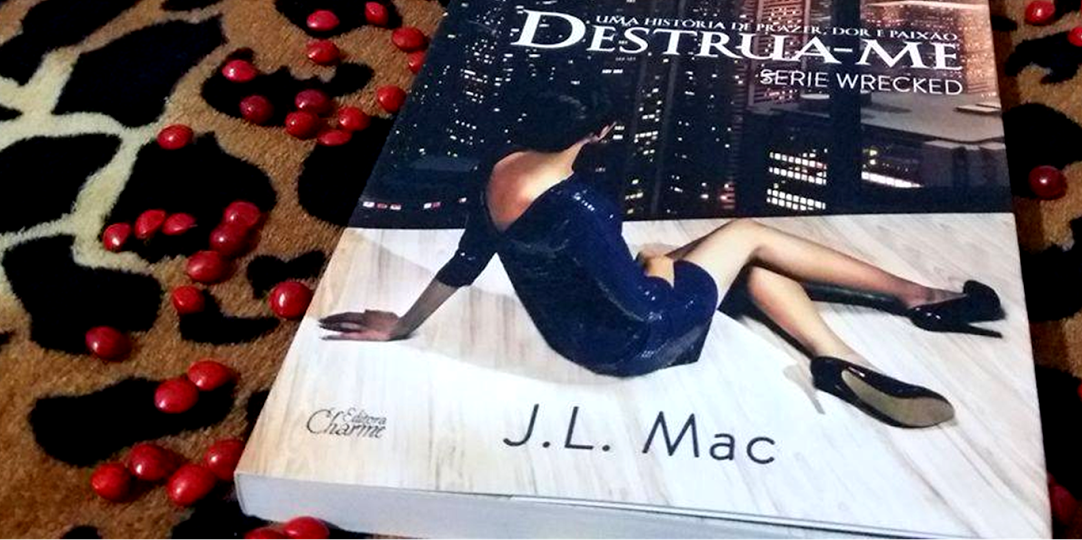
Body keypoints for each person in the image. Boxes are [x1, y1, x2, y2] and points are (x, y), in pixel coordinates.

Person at [321, 88, 1003, 428]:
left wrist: (403, 326)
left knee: (744, 265)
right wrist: (656, 262)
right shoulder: (581, 203)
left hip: (571, 326)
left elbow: (468, 258)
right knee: (746, 235)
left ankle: (835, 358)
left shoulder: (497, 171)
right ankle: (917, 295)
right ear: (598, 132)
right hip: (629, 341)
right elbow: (646, 306)